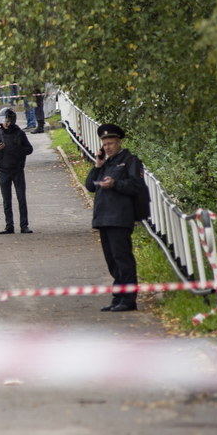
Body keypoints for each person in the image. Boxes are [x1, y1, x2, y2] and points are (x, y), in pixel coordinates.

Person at [84, 124, 146, 313]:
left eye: (111, 143)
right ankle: (118, 297)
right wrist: (97, 166)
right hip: (104, 218)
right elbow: (90, 186)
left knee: (122, 259)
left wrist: (116, 184)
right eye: (105, 144)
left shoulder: (130, 161)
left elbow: (136, 186)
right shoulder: (107, 163)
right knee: (112, 260)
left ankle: (128, 299)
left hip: (120, 217)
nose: (108, 147)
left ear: (119, 142)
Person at [0, 107, 34, 234]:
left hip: (17, 169)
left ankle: (24, 225)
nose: (5, 123)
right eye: (3, 121)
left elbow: (29, 149)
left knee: (21, 198)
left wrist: (19, 149)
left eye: (7, 120)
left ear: (12, 120)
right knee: (6, 199)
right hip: (3, 170)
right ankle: (9, 225)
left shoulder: (19, 133)